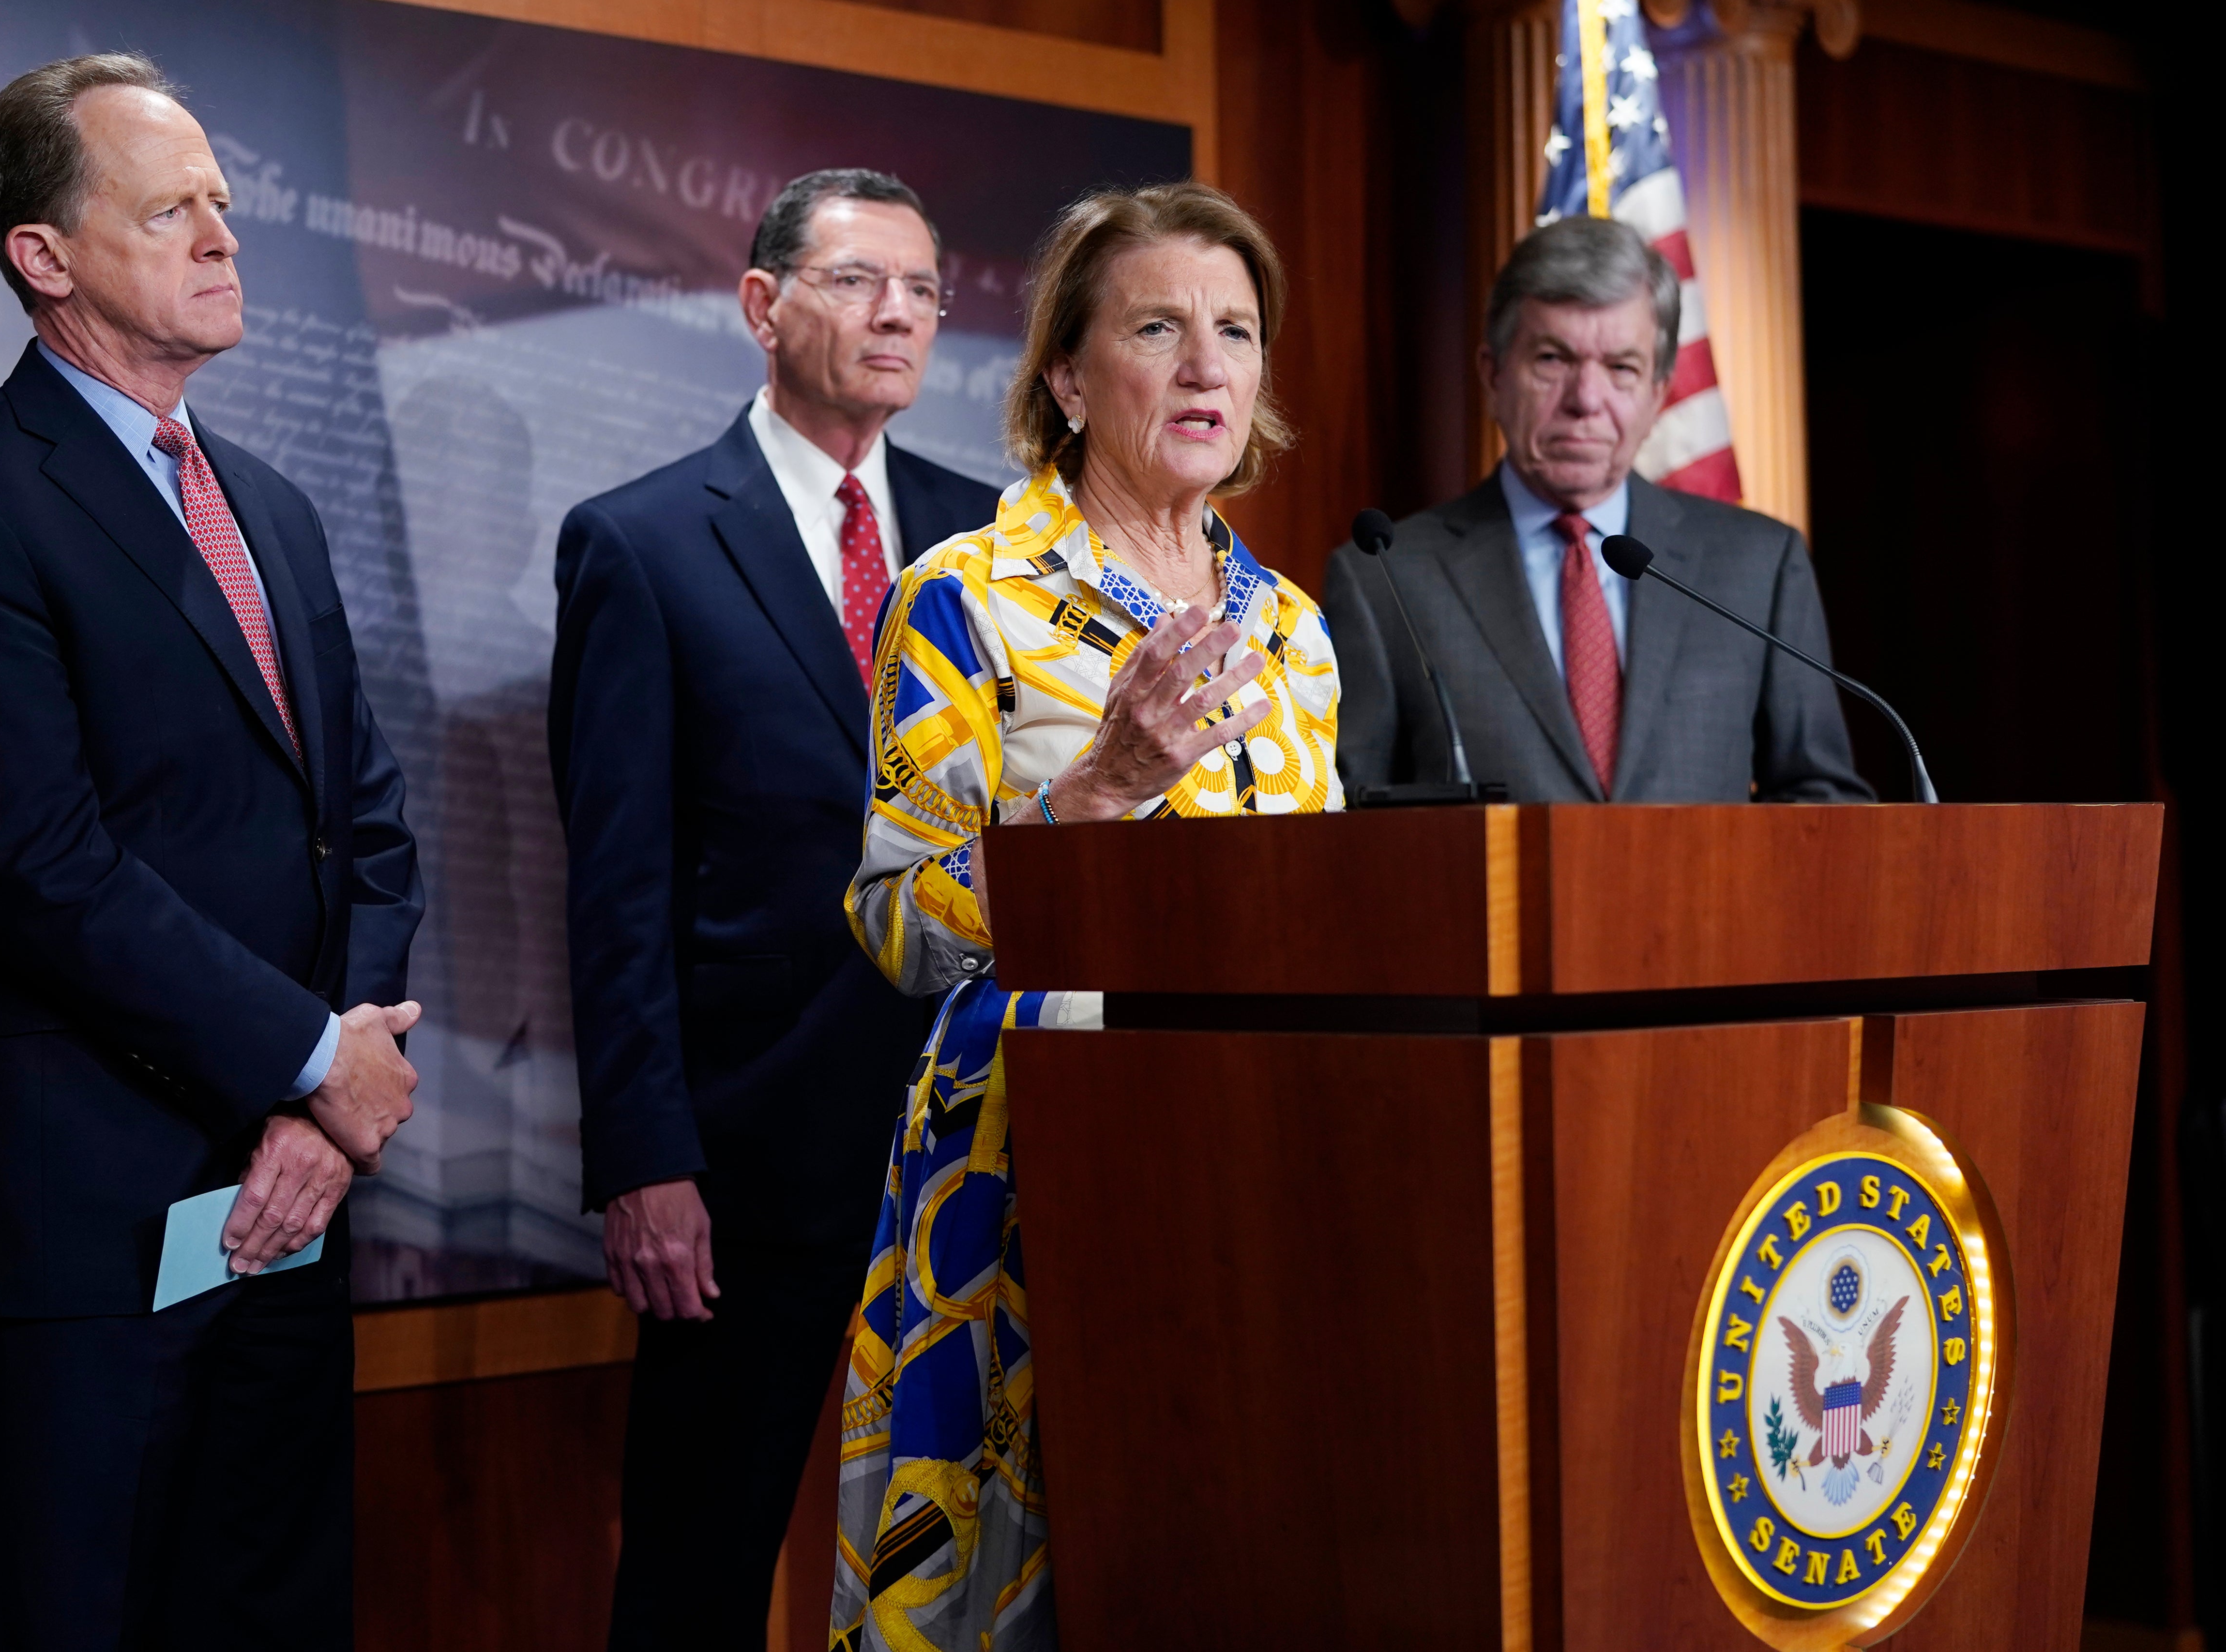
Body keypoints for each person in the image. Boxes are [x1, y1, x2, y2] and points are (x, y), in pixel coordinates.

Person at [0, 55, 422, 1649]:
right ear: (44, 253)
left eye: (225, 206)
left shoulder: (277, 509)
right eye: (172, 210)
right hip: (99, 1227)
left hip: (294, 1206)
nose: (225, 238)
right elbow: (37, 861)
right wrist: (312, 1051)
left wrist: (327, 1105)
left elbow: (365, 824)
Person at [833, 180, 1343, 1651]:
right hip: (1029, 1176)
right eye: (1159, 327)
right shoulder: (967, 596)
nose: (1206, 366)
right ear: (1066, 373)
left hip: (1257, 1165)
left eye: (1236, 332)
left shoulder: (1295, 630)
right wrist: (1099, 790)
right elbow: (893, 921)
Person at [547, 168, 999, 1649]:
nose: (900, 315)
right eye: (863, 280)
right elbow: (616, 890)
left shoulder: (990, 542)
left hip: (977, 1149)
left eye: (924, 291)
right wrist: (645, 1157)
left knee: (976, 1562)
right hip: (750, 1162)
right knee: (697, 1564)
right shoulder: (646, 542)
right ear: (762, 305)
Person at [1324, 215, 1869, 802]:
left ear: (1659, 392)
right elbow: (1356, 821)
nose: (1586, 400)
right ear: (1493, 375)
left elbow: (1822, 803)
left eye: (1620, 368)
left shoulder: (1758, 565)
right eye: (1553, 360)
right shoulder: (1385, 578)